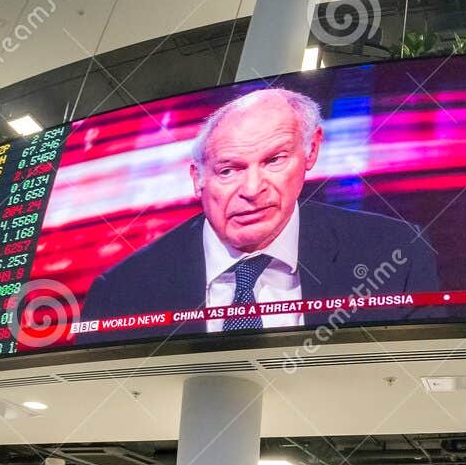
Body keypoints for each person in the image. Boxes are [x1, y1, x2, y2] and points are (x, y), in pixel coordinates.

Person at [80, 88, 440, 337]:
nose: (252, 190)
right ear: (198, 179)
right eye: (228, 170)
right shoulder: (120, 291)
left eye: (274, 160)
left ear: (311, 151)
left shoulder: (398, 252)